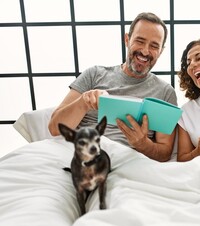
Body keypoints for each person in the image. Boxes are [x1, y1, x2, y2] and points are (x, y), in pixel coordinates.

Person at [48, 12, 177, 162]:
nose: (145, 51)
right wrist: (83, 103)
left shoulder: (165, 92)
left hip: (129, 162)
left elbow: (165, 153)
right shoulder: (94, 74)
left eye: (154, 46)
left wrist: (143, 144)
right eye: (140, 41)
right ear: (127, 39)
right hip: (83, 156)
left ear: (161, 51)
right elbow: (54, 128)